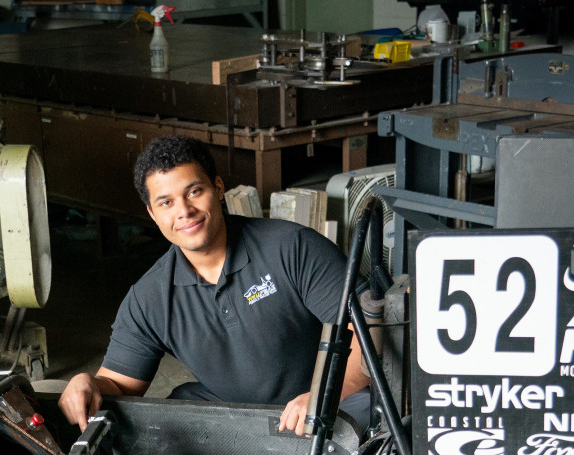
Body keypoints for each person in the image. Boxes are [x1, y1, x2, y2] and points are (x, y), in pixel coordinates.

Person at [58, 136, 371, 435]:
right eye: (166, 202)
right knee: (162, 429)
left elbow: (371, 326)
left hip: (325, 398)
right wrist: (88, 383)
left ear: (218, 188)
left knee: (372, 426)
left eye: (194, 192)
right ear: (153, 214)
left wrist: (325, 395)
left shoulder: (292, 247)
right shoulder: (150, 296)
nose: (184, 211)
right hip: (230, 415)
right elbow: (119, 386)